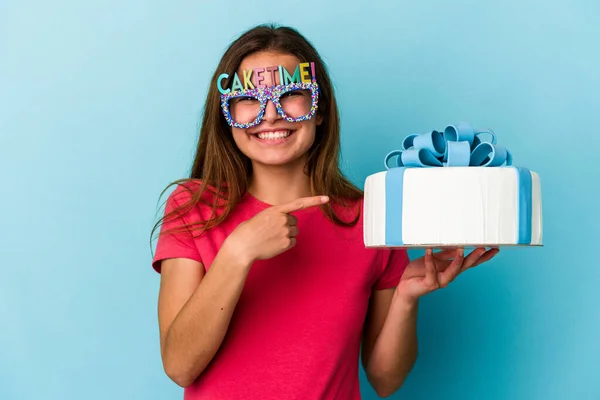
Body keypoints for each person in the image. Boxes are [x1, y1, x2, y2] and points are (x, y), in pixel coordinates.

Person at [150, 24, 499, 400]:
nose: (270, 114)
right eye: (249, 98)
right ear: (227, 113)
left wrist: (406, 297)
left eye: (292, 94)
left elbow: (385, 380)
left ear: (319, 111)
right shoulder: (193, 207)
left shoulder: (371, 217)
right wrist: (238, 251)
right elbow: (179, 365)